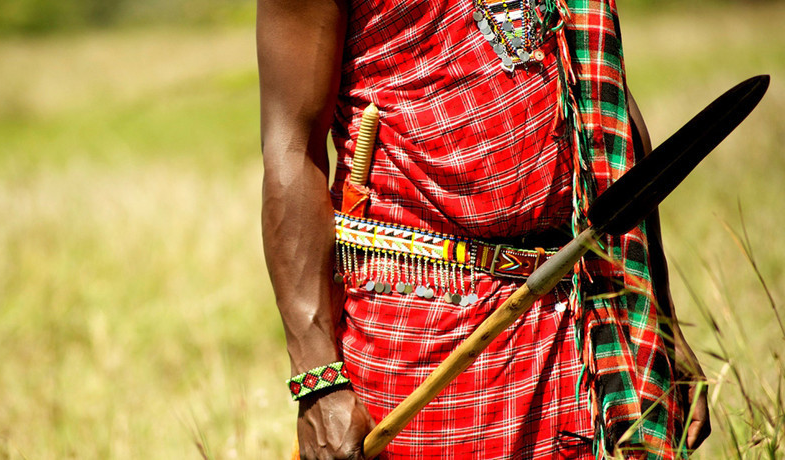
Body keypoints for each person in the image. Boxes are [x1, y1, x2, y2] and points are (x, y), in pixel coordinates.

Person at [258, 0, 711, 458]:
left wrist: (657, 319)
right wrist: (318, 384)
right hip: (426, 331)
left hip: (589, 312)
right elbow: (291, 146)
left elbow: (607, 106)